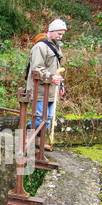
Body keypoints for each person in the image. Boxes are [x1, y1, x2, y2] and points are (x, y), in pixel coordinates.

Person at [26, 18, 67, 150]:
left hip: (50, 89)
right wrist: (51, 77)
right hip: (39, 89)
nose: (60, 37)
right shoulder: (40, 47)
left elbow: (56, 69)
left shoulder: (56, 46)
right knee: (39, 117)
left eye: (62, 34)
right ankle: (26, 138)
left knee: (48, 118)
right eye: (58, 34)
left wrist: (60, 85)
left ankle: (37, 140)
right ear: (51, 31)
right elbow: (37, 69)